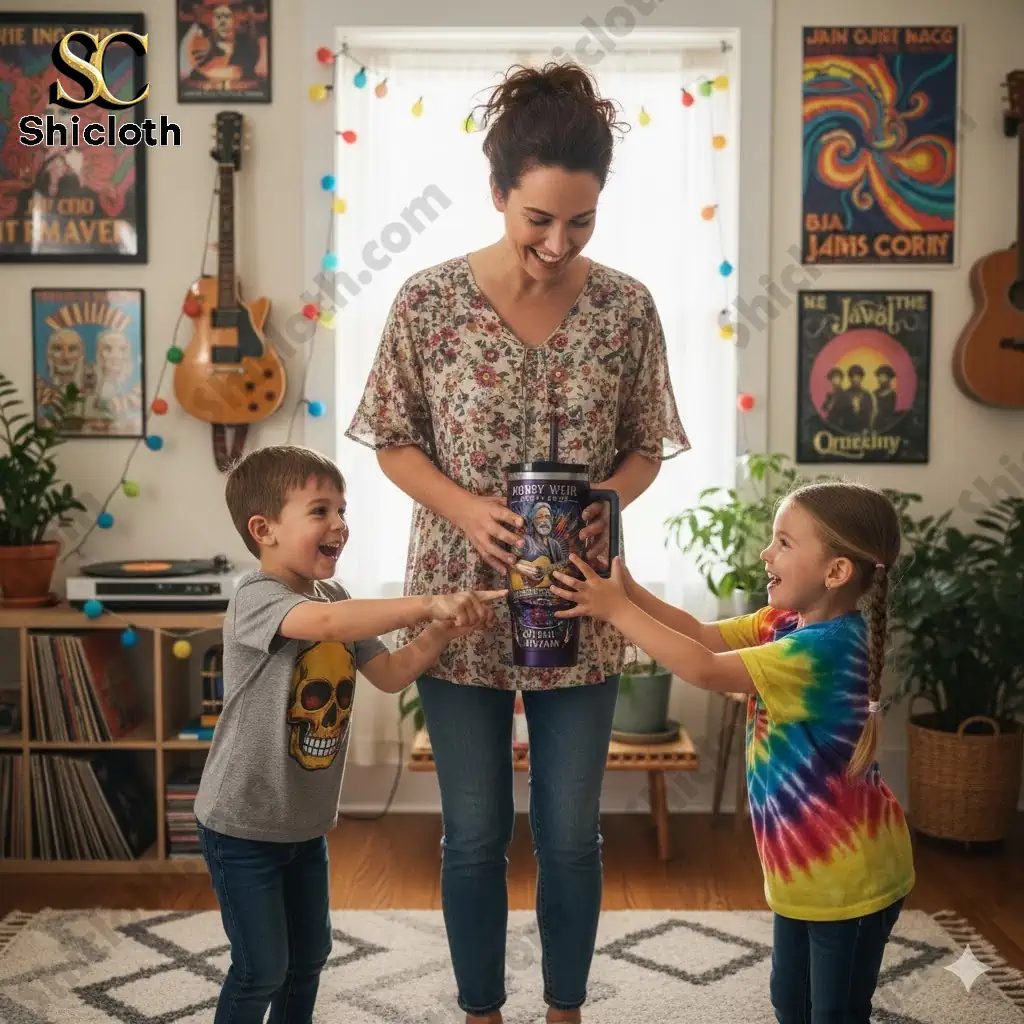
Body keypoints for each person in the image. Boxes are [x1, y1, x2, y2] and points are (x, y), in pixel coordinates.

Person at [346, 61, 689, 1024]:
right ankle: (482, 1011)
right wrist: (461, 506)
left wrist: (608, 501)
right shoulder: (427, 302)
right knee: (474, 833)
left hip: (583, 599)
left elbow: (643, 449)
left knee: (573, 833)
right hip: (456, 604)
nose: (557, 240)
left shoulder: (627, 307)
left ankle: (565, 1011)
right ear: (499, 191)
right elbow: (394, 439)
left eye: (580, 221)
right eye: (537, 216)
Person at [549, 479, 916, 1024]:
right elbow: (699, 633)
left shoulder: (818, 649)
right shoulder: (785, 624)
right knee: (791, 1002)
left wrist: (616, 612)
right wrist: (623, 593)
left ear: (835, 572)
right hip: (806, 877)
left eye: (785, 543)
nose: (767, 553)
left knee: (834, 1012)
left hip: (852, 880)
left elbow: (701, 667)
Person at [193, 444, 505, 1024]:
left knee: (309, 957)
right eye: (320, 511)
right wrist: (429, 600)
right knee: (261, 967)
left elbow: (388, 675)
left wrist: (440, 631)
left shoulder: (334, 596)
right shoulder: (255, 599)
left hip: (303, 825)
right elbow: (329, 626)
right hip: (241, 824)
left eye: (342, 509)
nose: (340, 524)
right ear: (265, 530)